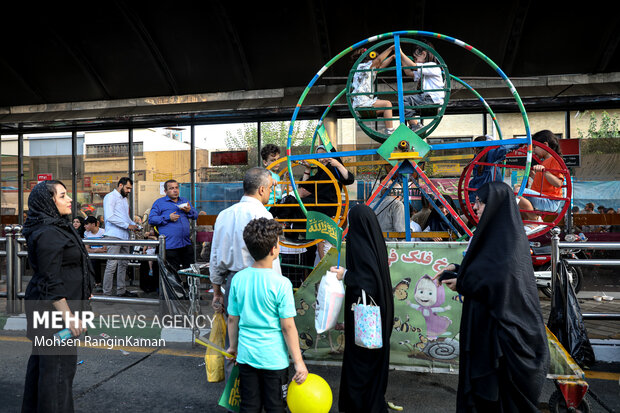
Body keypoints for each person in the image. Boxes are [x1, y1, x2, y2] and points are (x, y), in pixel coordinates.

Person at [435, 181, 549, 412]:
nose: (475, 207)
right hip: (487, 331)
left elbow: (502, 282)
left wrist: (463, 282)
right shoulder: (494, 234)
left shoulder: (508, 240)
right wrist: (458, 270)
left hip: (503, 337)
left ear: (495, 204)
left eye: (480, 202)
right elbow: (486, 271)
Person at [22, 180, 94, 412]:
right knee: (58, 373)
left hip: (57, 310)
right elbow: (49, 279)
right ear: (48, 202)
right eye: (63, 196)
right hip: (54, 314)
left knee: (45, 368)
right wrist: (69, 318)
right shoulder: (48, 232)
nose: (70, 199)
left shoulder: (56, 226)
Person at [209, 167, 282, 385]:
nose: (271, 192)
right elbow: (272, 260)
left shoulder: (224, 215)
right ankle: (261, 387)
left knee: (234, 337)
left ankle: (236, 391)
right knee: (262, 335)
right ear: (261, 189)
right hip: (261, 283)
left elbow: (215, 256)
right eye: (270, 188)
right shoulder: (263, 215)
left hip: (233, 282)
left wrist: (216, 293)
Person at [226, 218, 308, 411]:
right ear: (274, 249)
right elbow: (288, 327)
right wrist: (299, 362)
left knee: (249, 405)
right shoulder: (282, 284)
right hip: (274, 360)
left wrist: (233, 347)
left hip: (246, 356)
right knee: (275, 406)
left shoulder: (238, 279)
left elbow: (232, 318)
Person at [330, 205, 394, 413]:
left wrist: (345, 275)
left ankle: (358, 406)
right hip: (377, 315)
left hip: (365, 318)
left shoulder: (360, 246)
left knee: (360, 364)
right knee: (370, 363)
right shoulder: (373, 242)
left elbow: (367, 282)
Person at [148, 179, 198, 272]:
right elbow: (151, 219)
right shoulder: (159, 203)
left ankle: (187, 287)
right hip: (170, 245)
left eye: (176, 188)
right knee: (172, 273)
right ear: (165, 191)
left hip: (186, 243)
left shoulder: (184, 201)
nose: (175, 190)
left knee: (190, 272)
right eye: (171, 188)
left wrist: (189, 211)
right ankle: (174, 287)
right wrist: (168, 217)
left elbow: (195, 215)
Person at [517, 130, 565, 226]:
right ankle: (529, 223)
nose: (533, 151)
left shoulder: (554, 160)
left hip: (550, 201)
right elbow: (545, 182)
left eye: (535, 147)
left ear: (545, 145)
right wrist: (534, 175)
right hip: (544, 198)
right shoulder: (545, 162)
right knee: (517, 195)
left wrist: (545, 172)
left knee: (518, 191)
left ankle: (534, 220)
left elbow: (558, 183)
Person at [102, 177, 139, 297]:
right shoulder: (110, 197)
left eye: (130, 189)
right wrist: (128, 225)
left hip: (124, 235)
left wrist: (135, 225)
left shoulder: (124, 200)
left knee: (123, 264)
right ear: (120, 185)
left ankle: (121, 291)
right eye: (127, 188)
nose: (129, 190)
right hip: (113, 235)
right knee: (112, 265)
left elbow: (125, 218)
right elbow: (110, 217)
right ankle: (107, 293)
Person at [400, 41, 445, 131]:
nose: (415, 61)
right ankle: (415, 125)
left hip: (431, 98)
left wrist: (400, 52)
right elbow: (408, 72)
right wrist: (400, 58)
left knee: (403, 100)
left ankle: (415, 125)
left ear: (424, 54)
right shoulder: (425, 71)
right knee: (405, 101)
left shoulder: (432, 66)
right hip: (428, 98)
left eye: (416, 58)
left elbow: (412, 65)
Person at [350, 45, 396, 134]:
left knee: (387, 108)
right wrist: (390, 48)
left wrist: (392, 57)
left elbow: (380, 65)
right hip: (362, 101)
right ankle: (390, 130)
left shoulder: (368, 69)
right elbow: (379, 61)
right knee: (387, 104)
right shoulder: (362, 66)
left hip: (362, 101)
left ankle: (389, 130)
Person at [467, 135, 520, 203]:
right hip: (489, 193)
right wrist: (518, 142)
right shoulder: (490, 154)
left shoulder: (476, 159)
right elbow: (503, 149)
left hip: (477, 193)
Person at [83, 215, 106, 289]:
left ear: (93, 224)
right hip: (93, 254)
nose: (84, 226)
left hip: (103, 255)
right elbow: (86, 249)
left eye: (87, 224)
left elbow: (104, 249)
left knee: (95, 260)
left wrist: (93, 250)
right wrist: (96, 250)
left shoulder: (103, 232)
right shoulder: (86, 233)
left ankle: (98, 283)